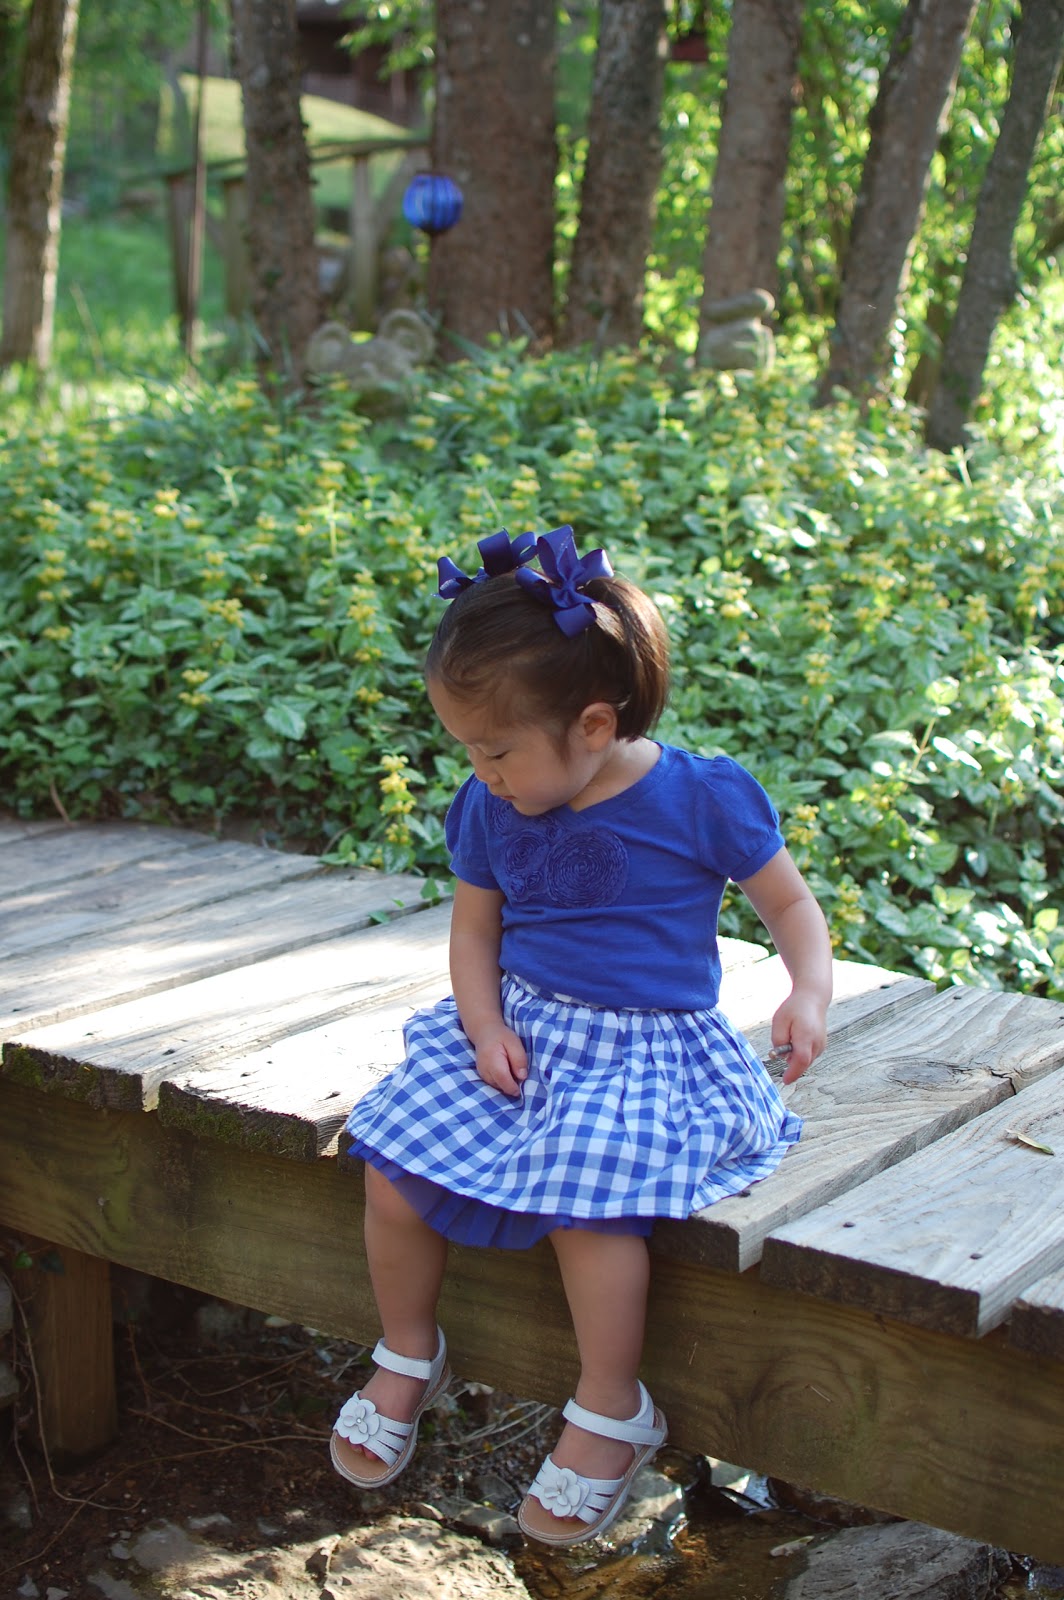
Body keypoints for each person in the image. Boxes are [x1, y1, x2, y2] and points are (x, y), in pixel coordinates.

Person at [331, 524, 832, 1546]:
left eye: (497, 748)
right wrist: (480, 1027)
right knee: (389, 1158)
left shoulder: (697, 795)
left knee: (594, 1203)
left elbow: (788, 905)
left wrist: (808, 990)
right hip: (520, 1030)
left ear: (593, 724)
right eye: (466, 747)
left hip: (651, 1048)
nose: (480, 771)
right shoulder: (491, 802)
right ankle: (405, 1350)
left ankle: (611, 1406)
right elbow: (473, 931)